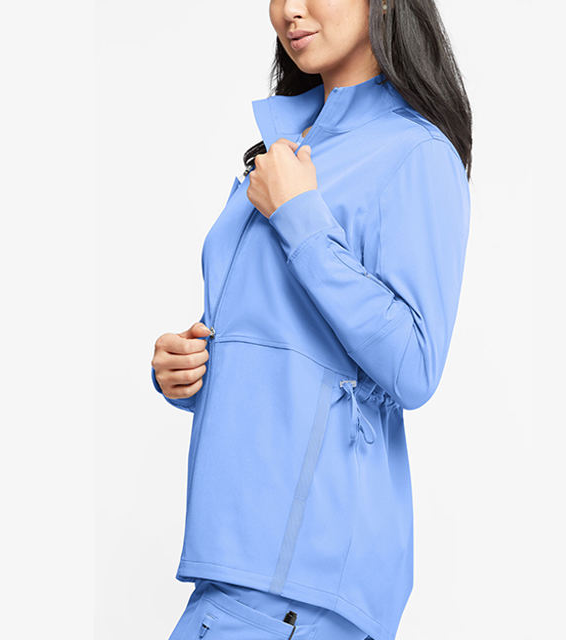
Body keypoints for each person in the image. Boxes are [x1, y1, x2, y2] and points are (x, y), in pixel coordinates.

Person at [151, 1, 472, 638]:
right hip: (239, 561)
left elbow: (414, 364)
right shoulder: (285, 146)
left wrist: (299, 216)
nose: (289, 11)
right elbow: (294, 340)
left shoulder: (415, 152)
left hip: (302, 581)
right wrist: (185, 368)